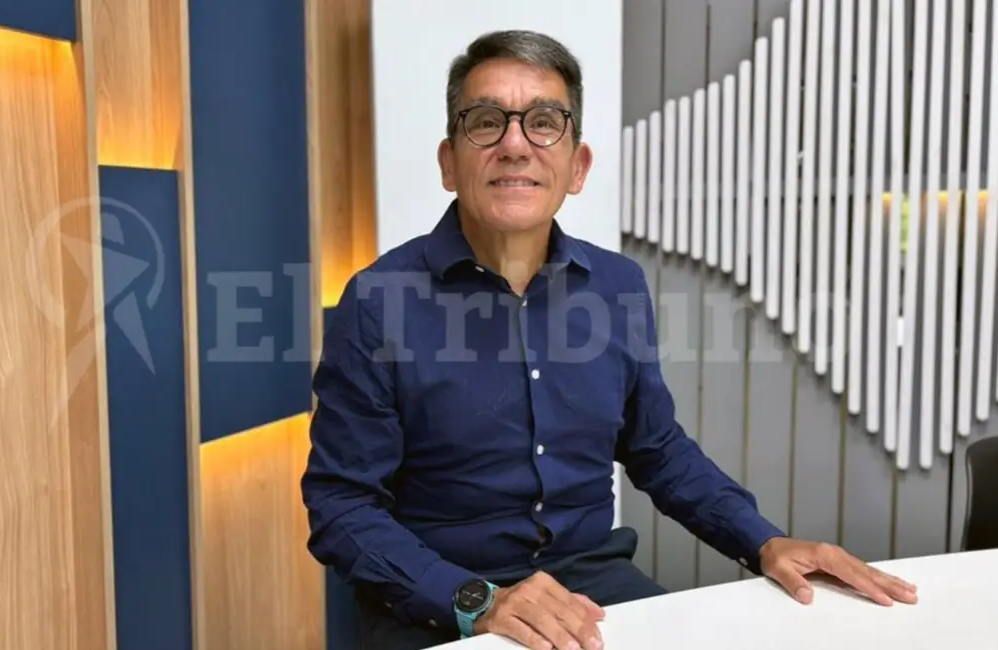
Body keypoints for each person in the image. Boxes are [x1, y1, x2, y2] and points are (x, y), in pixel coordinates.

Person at [300, 29, 918, 650]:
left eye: (544, 123)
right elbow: (342, 505)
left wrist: (763, 540)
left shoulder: (617, 286)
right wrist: (477, 602)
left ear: (577, 167)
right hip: (441, 601)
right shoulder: (377, 302)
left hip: (592, 585)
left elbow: (658, 449)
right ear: (448, 162)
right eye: (486, 122)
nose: (515, 144)